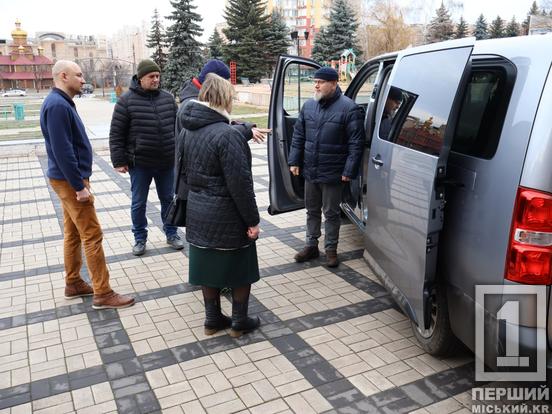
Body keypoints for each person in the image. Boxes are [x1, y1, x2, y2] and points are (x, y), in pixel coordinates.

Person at [40, 60, 135, 309]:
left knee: (73, 233)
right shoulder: (58, 105)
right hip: (70, 182)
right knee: (92, 235)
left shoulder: (60, 103)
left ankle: (73, 283)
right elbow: (63, 151)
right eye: (79, 75)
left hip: (66, 179)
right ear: (63, 76)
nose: (83, 80)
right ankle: (103, 293)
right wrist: (79, 186)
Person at [176, 73, 261, 338]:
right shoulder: (227, 135)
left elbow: (184, 174)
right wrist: (252, 220)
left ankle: (212, 320)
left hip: (199, 210)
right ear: (224, 98)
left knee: (207, 267)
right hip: (227, 214)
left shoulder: (188, 131)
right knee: (241, 268)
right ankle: (239, 321)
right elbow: (241, 185)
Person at [288, 67, 365, 268]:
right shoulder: (309, 106)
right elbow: (298, 135)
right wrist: (294, 160)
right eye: (315, 81)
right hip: (310, 170)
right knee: (311, 210)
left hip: (333, 172)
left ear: (333, 83)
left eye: (321, 82)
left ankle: (331, 250)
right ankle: (311, 246)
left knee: (331, 213)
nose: (316, 85)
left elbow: (356, 143)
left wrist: (349, 171)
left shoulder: (349, 108)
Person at [109, 59, 184, 256]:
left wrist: (180, 153)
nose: (156, 80)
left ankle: (172, 233)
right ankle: (140, 238)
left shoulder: (168, 99)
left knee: (168, 199)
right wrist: (119, 161)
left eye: (158, 76)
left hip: (166, 161)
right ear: (140, 78)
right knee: (139, 202)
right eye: (152, 76)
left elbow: (178, 128)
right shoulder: (125, 101)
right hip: (140, 163)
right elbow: (116, 133)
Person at [175, 59, 268, 143]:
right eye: (225, 82)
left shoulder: (197, 101)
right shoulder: (192, 104)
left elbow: (216, 122)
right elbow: (212, 133)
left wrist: (247, 127)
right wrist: (246, 131)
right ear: (216, 83)